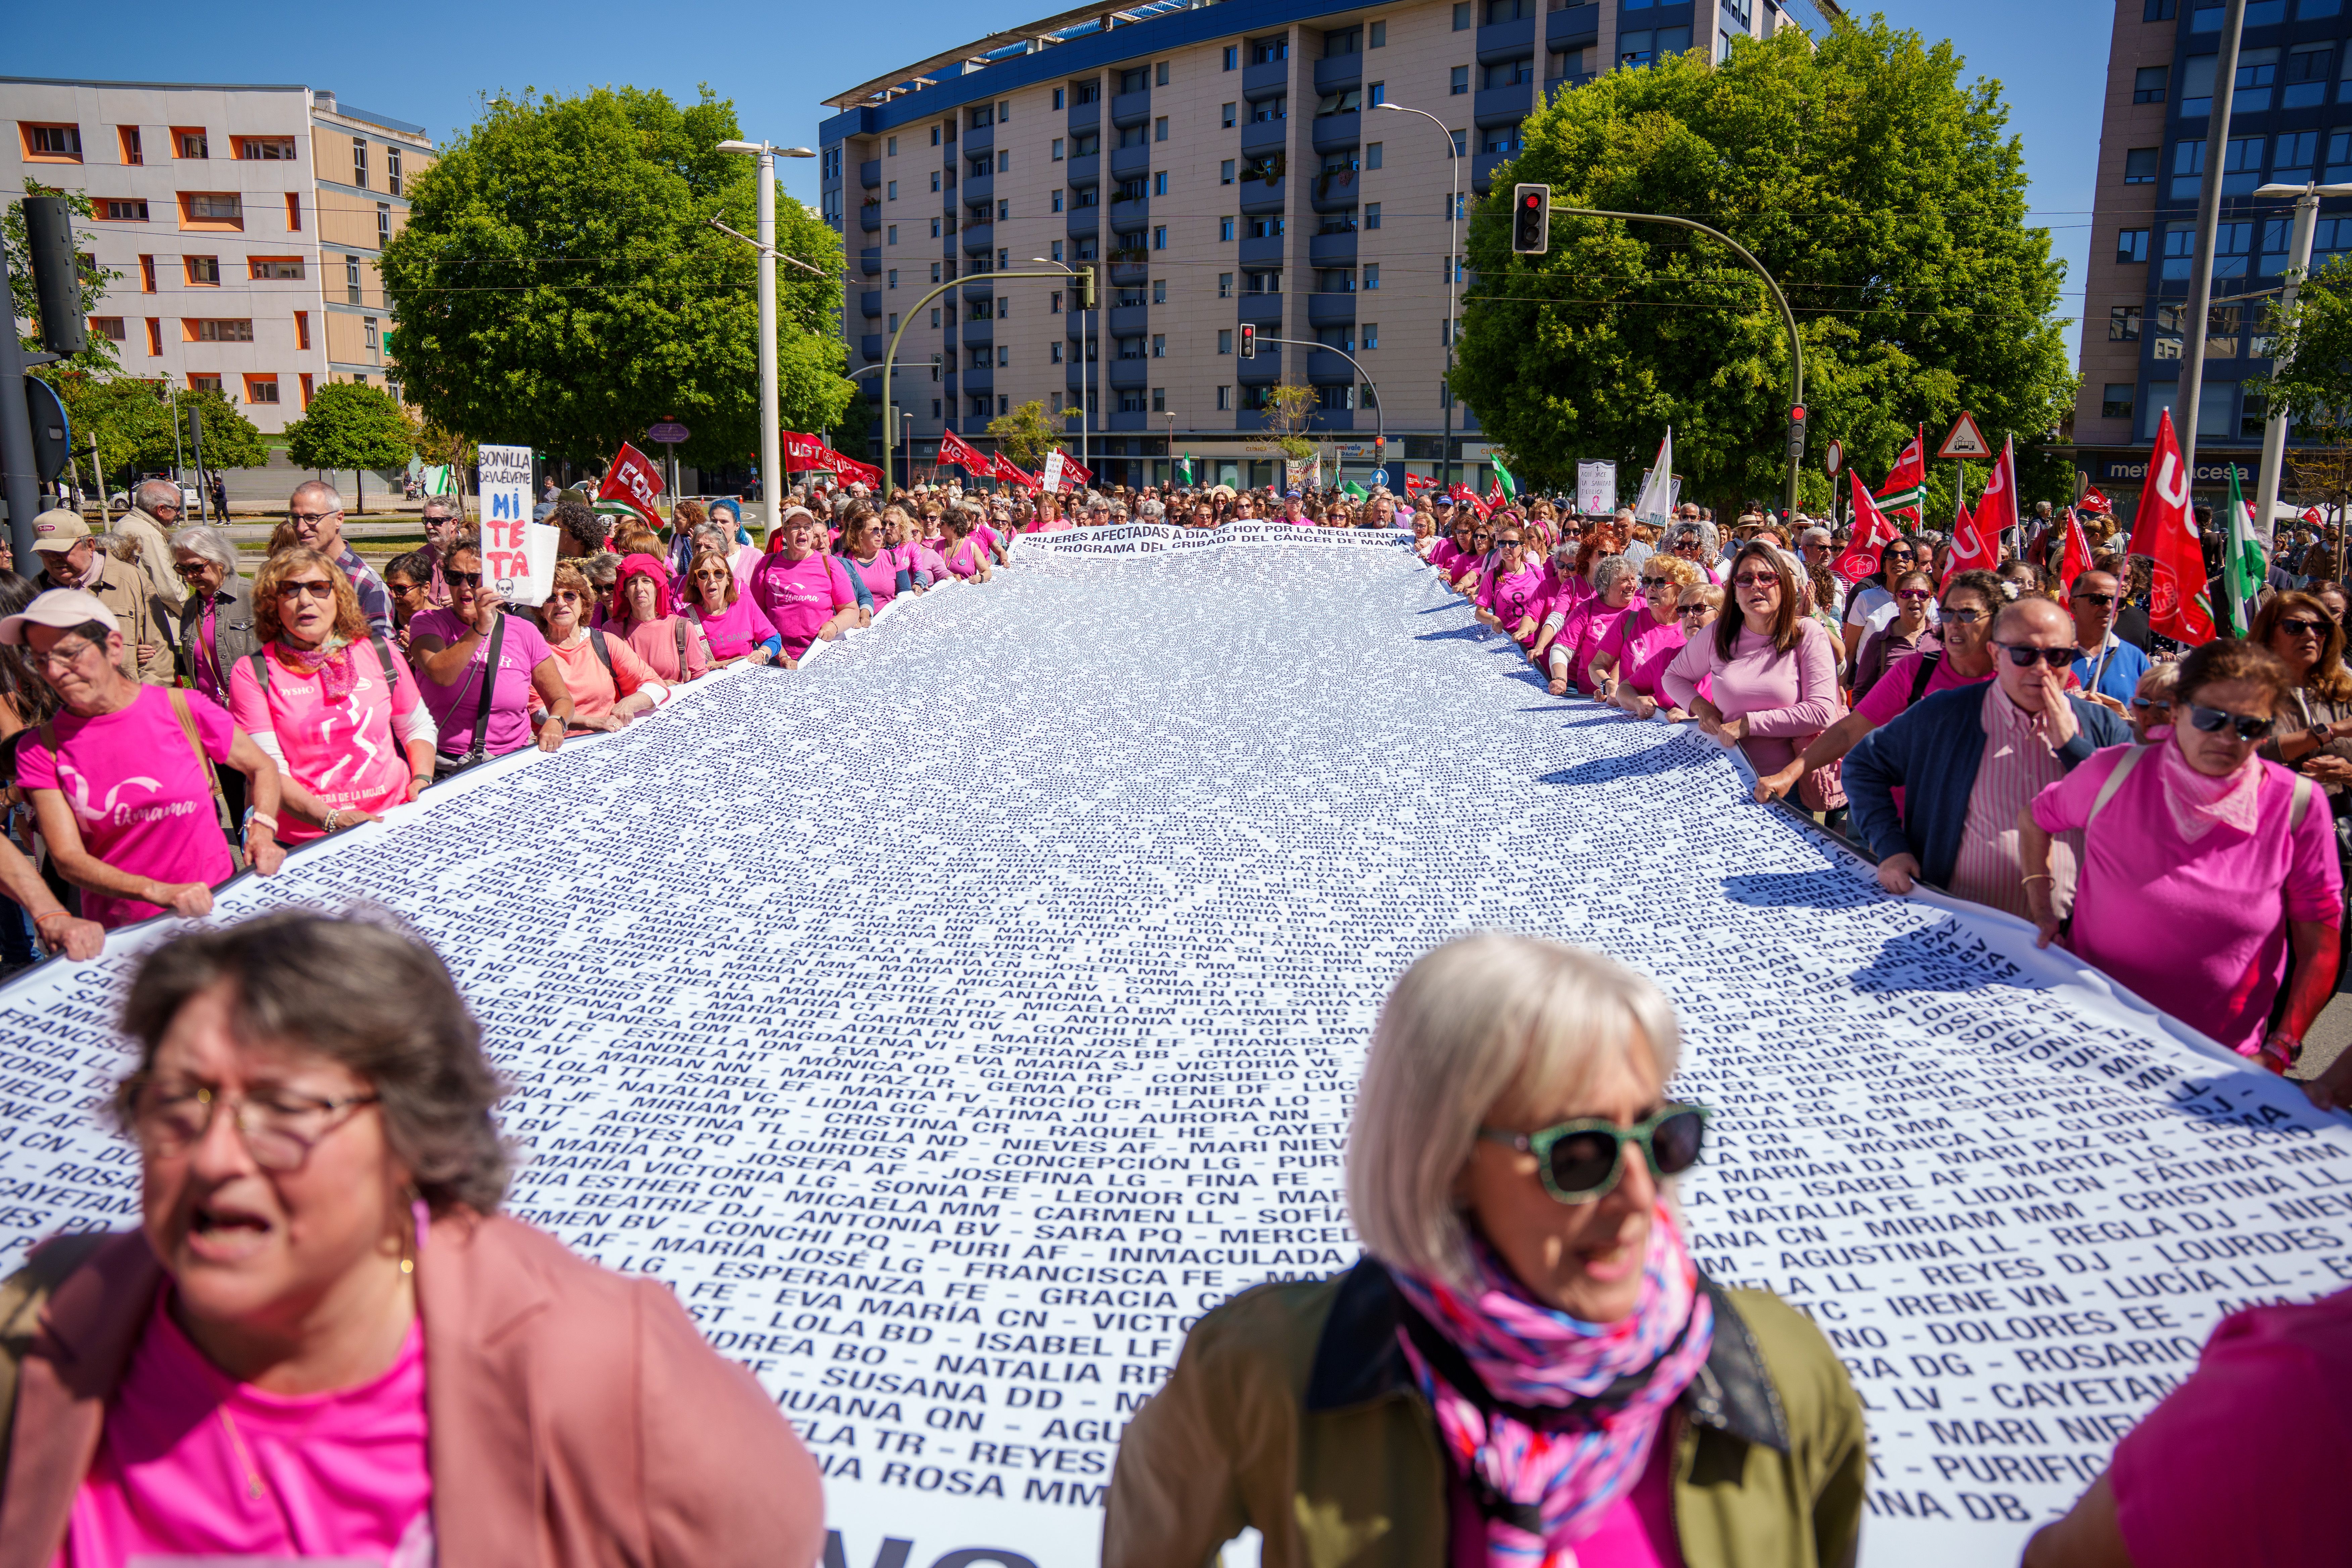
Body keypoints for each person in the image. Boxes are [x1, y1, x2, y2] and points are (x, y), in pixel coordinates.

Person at [0, 910, 826, 1566]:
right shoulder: (37, 1332)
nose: (217, 1156)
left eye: (287, 1107)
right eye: (180, 1098)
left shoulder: (612, 1371)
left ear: (410, 1135)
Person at [1105, 933, 1865, 1568]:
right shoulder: (1259, 1372)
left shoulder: (1785, 1371)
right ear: (1448, 1161)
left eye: (1661, 1136)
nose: (1641, 1196)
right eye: (1579, 1154)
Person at [2024, 638, 2340, 1076]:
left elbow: (2321, 943)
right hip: (2091, 1043)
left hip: (2221, 1065)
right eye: (2212, 719)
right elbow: (2035, 819)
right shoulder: (2112, 773)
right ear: (2177, 712)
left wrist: (2283, 1046)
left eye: (2250, 728)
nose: (2229, 739)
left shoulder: (2298, 805)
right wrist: (2044, 908)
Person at [2, 589, 285, 926]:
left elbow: (261, 766)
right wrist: (160, 892)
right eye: (41, 659)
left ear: (114, 648)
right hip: (126, 936)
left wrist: (262, 828)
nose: (55, 671)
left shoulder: (183, 708)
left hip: (217, 916)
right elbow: (67, 859)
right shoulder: (39, 748)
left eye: (69, 654)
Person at [1846, 595, 2130, 918]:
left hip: (2072, 941)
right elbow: (1864, 766)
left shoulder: (2102, 726)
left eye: (2057, 655)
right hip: (1958, 927)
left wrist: (2073, 748)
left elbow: (2138, 813)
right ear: (1996, 653)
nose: (2041, 669)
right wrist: (1891, 848)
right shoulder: (1948, 713)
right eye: (2025, 654)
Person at [227, 549, 436, 842]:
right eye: (289, 590)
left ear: (338, 596)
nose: (304, 600)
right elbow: (268, 769)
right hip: (305, 839)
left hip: (394, 823)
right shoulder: (253, 672)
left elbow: (416, 726)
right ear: (272, 604)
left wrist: (422, 779)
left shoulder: (380, 652)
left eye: (318, 587)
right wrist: (330, 819)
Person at [1752, 569, 2005, 809]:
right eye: (1949, 613)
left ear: (1996, 619)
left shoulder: (2015, 679)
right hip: (1913, 818)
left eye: (1969, 614)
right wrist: (1788, 775)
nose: (1956, 624)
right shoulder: (1915, 670)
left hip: (1990, 819)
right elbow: (1849, 731)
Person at [1660, 544, 1847, 799]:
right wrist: (1702, 709)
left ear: (1783, 586)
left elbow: (1820, 712)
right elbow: (1673, 677)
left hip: (1786, 786)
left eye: (1767, 578)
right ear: (1734, 592)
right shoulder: (1717, 634)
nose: (1756, 586)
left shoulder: (1808, 634)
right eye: (1745, 579)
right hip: (1721, 778)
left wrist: (1748, 724)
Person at [404, 543, 572, 773]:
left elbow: (562, 699)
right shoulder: (428, 622)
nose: (464, 587)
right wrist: (481, 627)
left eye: (474, 579)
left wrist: (556, 722)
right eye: (454, 577)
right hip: (447, 766)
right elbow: (441, 674)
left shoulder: (524, 631)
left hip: (512, 762)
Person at [33, 510, 173, 685]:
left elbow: (160, 658)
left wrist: (140, 705)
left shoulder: (131, 580)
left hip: (125, 705)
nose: (54, 558)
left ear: (90, 546)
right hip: (61, 708)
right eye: (45, 552)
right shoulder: (35, 592)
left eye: (62, 550)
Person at [536, 559, 670, 730]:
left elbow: (657, 687)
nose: (561, 603)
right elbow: (538, 710)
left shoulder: (605, 643)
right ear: (540, 608)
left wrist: (629, 704)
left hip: (609, 743)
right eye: (551, 597)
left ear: (584, 603)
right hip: (558, 747)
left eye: (569, 596)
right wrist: (589, 722)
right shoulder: (533, 651)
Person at [753, 507, 869, 659]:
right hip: (776, 656)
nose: (802, 531)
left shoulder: (830, 565)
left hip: (820, 656)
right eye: (795, 527)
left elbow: (851, 610)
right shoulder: (766, 564)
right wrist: (773, 650)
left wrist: (834, 626)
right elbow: (755, 613)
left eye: (807, 527)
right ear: (784, 533)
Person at [285, 482, 393, 641]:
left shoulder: (366, 583)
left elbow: (382, 653)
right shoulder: (290, 576)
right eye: (295, 518)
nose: (301, 528)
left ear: (339, 519)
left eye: (311, 518)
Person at [1587, 556, 1698, 711]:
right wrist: (1609, 686)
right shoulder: (1629, 621)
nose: (1651, 588)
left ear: (1681, 590)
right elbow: (1597, 665)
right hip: (1630, 718)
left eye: (1660, 582)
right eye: (1647, 581)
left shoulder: (1693, 628)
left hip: (1677, 720)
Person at [171, 526, 256, 715]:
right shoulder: (190, 608)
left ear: (220, 560)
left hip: (253, 715)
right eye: (182, 569)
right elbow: (196, 664)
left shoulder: (254, 596)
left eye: (196, 567)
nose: (190, 576)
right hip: (210, 718)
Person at [1538, 554, 1638, 697]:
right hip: (1590, 697)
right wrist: (1560, 678)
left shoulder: (1644, 608)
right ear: (1606, 585)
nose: (1631, 585)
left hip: (1633, 697)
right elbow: (1562, 649)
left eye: (1633, 579)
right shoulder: (1586, 610)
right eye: (1624, 580)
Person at [608, 554, 711, 685]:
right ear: (625, 592)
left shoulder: (681, 627)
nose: (639, 588)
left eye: (646, 581)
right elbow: (610, 684)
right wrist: (658, 686)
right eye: (633, 582)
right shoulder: (611, 631)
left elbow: (700, 678)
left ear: (658, 588)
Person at [680, 547, 783, 667]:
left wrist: (762, 654)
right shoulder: (685, 619)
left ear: (728, 580)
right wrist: (727, 664)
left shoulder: (745, 604)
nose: (712, 580)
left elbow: (774, 639)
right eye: (703, 575)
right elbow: (685, 663)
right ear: (695, 582)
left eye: (719, 573)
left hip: (749, 679)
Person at [2065, 569, 2149, 709]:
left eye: (2118, 602)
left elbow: (2149, 719)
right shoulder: (2051, 655)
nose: (2110, 607)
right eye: (2099, 600)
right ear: (2074, 605)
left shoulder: (2135, 658)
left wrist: (2122, 719)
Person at [1849, 569, 1936, 702]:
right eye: (1906, 594)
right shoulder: (1878, 642)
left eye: (1922, 594)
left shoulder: (1942, 639)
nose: (1914, 599)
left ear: (1930, 600)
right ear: (1896, 599)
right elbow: (1861, 694)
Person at [120, 479, 192, 639]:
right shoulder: (148, 535)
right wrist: (191, 615)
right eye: (177, 509)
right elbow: (168, 590)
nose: (179, 514)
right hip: (154, 628)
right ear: (161, 509)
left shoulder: (128, 522)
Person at [1472, 524, 1550, 654]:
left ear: (1523, 548)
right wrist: (1494, 620)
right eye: (1502, 543)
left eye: (1512, 544)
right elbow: (1479, 613)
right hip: (1507, 643)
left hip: (1535, 643)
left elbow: (1546, 608)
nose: (1507, 548)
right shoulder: (1493, 575)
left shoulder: (1536, 573)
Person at [412, 496, 466, 607]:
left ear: (453, 523)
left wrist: (466, 598)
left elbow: (495, 591)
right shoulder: (421, 556)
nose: (428, 526)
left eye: (436, 521)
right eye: (426, 520)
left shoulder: (476, 553)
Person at [380, 549, 436, 649]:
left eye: (401, 589)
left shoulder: (446, 622)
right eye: (389, 587)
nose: (393, 595)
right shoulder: (384, 620)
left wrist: (418, 653)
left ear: (425, 588)